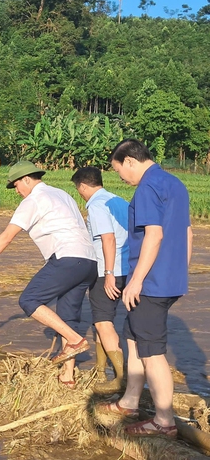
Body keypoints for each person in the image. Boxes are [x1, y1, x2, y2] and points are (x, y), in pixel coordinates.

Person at [0, 160, 97, 388]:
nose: (17, 192)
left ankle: (75, 340)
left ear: (27, 179)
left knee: (29, 299)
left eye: (16, 186)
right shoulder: (61, 194)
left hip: (67, 257)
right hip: (89, 261)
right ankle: (68, 376)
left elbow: (7, 236)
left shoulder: (34, 200)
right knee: (68, 316)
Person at [99, 139, 192, 439]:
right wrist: (179, 271)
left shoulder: (148, 187)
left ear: (129, 161)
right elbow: (188, 232)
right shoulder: (175, 183)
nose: (121, 178)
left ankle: (164, 421)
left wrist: (137, 280)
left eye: (118, 171)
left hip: (151, 282)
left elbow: (153, 234)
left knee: (152, 351)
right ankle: (129, 401)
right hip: (168, 278)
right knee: (133, 336)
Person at [71, 166, 130, 394]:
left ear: (83, 186)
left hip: (109, 270)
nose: (80, 194)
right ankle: (99, 368)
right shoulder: (119, 201)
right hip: (128, 268)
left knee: (104, 322)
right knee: (100, 319)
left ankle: (121, 378)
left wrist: (107, 274)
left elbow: (108, 239)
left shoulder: (96, 205)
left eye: (79, 190)